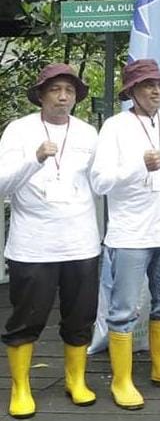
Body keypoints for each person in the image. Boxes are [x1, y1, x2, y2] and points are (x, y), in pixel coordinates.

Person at [91, 59, 160, 409]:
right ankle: (122, 380)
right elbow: (100, 181)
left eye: (159, 84)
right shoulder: (114, 127)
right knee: (123, 310)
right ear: (131, 91)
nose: (155, 90)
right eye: (147, 85)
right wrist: (140, 164)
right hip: (130, 234)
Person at [0, 64, 100, 418]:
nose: (63, 97)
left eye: (69, 91)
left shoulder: (89, 134)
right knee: (27, 318)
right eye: (55, 90)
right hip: (33, 244)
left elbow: (101, 183)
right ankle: (21, 386)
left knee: (80, 316)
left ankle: (75, 380)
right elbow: (2, 184)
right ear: (41, 94)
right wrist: (35, 158)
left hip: (82, 242)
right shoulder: (19, 131)